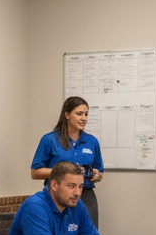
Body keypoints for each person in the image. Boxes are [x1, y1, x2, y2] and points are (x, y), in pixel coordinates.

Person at [3, 161, 121, 235]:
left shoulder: (77, 205)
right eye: (71, 186)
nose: (78, 192)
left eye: (80, 186)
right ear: (54, 185)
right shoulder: (35, 207)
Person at [31, 96, 104, 226]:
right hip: (57, 195)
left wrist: (97, 176)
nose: (83, 118)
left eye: (86, 114)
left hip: (85, 194)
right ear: (67, 114)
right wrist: (64, 172)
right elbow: (35, 172)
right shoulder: (49, 140)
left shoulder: (92, 141)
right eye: (79, 113)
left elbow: (99, 171)